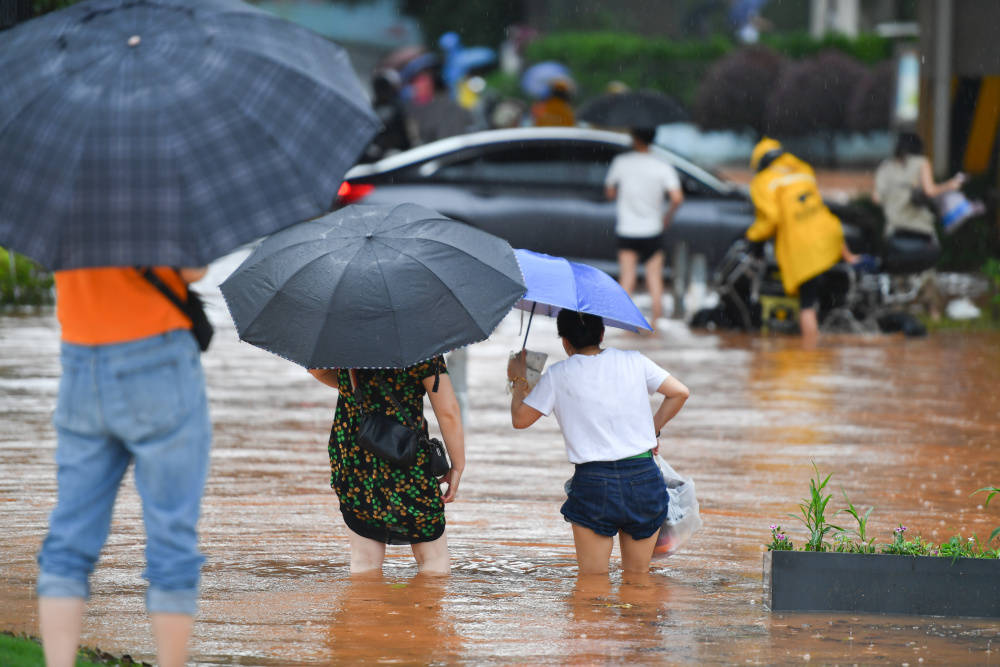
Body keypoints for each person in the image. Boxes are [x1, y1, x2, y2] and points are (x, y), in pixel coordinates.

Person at [38, 266, 211, 667]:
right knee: (172, 537)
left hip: (81, 355)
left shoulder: (64, 202)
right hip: (157, 353)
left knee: (68, 539)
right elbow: (193, 269)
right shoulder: (158, 199)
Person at [506, 310, 690, 575]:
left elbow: (520, 419)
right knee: (637, 580)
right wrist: (652, 431)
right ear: (602, 334)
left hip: (594, 483)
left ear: (565, 342)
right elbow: (679, 393)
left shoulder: (558, 374)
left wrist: (519, 379)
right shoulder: (634, 361)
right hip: (643, 478)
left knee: (592, 585)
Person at [308, 358, 465, 574]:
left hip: (355, 455)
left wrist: (358, 382)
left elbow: (319, 371)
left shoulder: (344, 338)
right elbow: (448, 411)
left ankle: (368, 608)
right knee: (432, 558)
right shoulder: (422, 344)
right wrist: (457, 465)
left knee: (365, 560)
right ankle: (426, 607)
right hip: (406, 456)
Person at [745, 137, 858, 344]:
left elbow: (770, 220)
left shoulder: (764, 181)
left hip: (804, 249)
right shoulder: (802, 170)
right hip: (831, 238)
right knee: (828, 298)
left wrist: (752, 239)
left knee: (807, 305)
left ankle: (809, 356)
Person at [873, 131, 968, 319]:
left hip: (894, 229)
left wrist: (895, 199)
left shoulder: (885, 167)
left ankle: (898, 308)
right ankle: (933, 310)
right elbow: (930, 191)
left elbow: (876, 198)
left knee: (897, 268)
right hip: (919, 228)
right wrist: (951, 185)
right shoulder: (921, 163)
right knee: (927, 267)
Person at [605, 127, 684, 327]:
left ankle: (622, 323)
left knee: (628, 277)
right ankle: (656, 326)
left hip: (627, 229)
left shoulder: (621, 163)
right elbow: (677, 197)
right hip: (652, 229)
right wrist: (667, 217)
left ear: (634, 139)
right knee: (654, 279)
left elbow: (610, 193)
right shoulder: (662, 165)